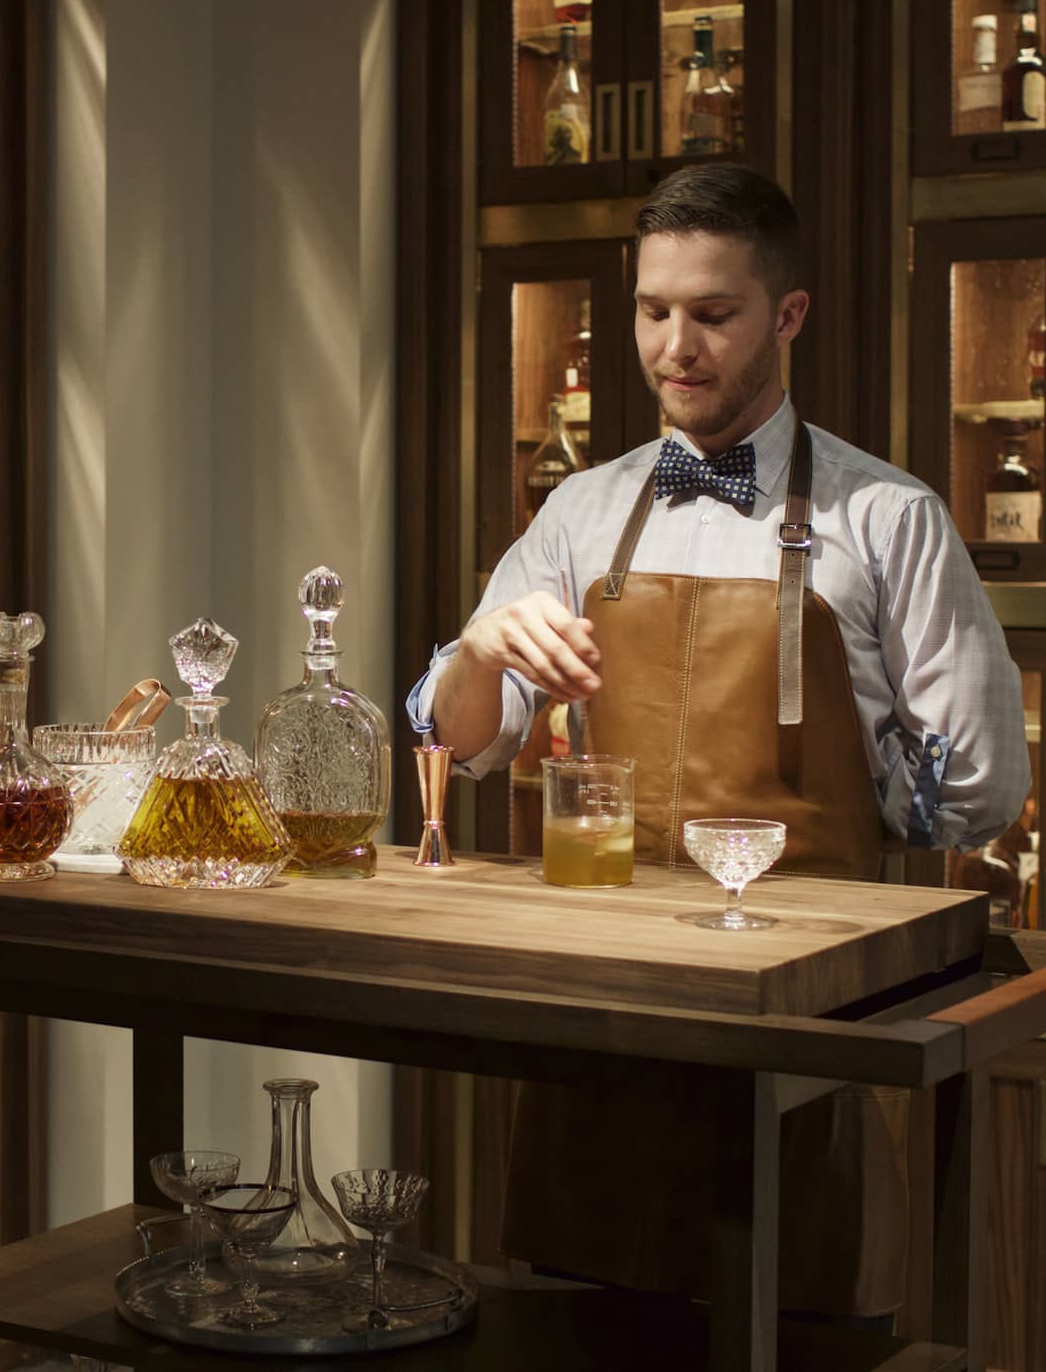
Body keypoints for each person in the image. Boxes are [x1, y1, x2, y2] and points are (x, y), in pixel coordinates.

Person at [405, 162, 1030, 1319]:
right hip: (599, 1009)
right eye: (652, 311)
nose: (675, 346)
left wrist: (871, 777)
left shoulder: (888, 518)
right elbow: (469, 742)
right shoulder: (582, 509)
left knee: (789, 1312)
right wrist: (484, 647)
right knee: (575, 1321)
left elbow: (982, 790)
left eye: (712, 314)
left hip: (807, 1014)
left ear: (786, 316)